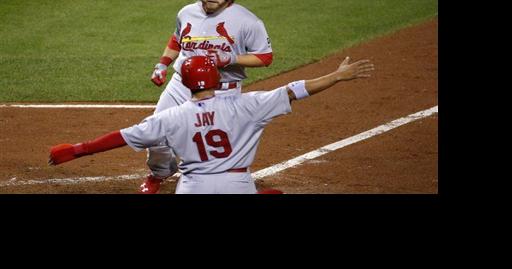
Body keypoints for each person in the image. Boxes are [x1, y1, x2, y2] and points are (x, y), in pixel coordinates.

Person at [48, 55, 374, 194]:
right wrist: (336, 76)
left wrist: (76, 150)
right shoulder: (245, 105)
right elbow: (294, 91)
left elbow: (123, 136)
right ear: (217, 78)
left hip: (193, 187)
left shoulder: (171, 117)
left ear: (184, 83)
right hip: (237, 186)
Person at [144, 0, 274, 193]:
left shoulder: (248, 21)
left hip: (222, 91)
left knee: (217, 146)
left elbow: (265, 57)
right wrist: (162, 64)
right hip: (181, 85)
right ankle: (160, 172)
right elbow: (177, 39)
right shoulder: (186, 12)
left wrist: (231, 59)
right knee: (154, 132)